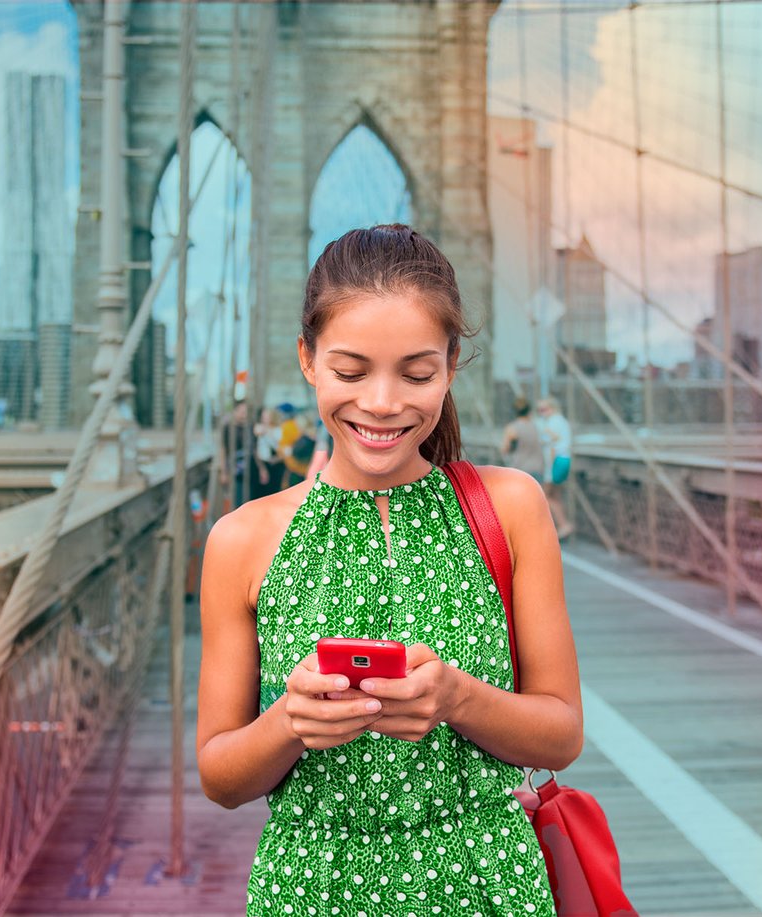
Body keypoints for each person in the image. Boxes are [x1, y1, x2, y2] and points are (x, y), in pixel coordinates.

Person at [197, 224, 581, 917]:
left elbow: (561, 733)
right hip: (310, 889)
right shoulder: (240, 539)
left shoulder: (512, 506)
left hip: (487, 884)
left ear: (452, 364)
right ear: (307, 360)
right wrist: (291, 719)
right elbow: (220, 776)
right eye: (350, 371)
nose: (380, 402)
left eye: (416, 371)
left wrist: (457, 697)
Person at [536, 397, 576, 540]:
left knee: (545, 495)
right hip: (564, 459)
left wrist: (548, 471)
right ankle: (562, 524)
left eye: (544, 409)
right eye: (539, 410)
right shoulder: (561, 421)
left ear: (552, 408)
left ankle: (562, 524)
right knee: (555, 495)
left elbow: (552, 447)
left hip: (555, 461)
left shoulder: (553, 423)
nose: (541, 413)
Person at [501, 396, 547, 486]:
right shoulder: (537, 426)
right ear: (529, 411)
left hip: (520, 469)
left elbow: (505, 449)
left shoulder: (512, 428)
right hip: (538, 469)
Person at [219, 400, 253, 507]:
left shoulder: (249, 427)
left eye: (246, 412)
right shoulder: (228, 428)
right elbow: (223, 450)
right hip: (235, 469)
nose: (244, 415)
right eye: (242, 412)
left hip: (250, 469)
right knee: (238, 498)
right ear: (235, 412)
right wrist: (224, 472)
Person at [252, 405, 287, 500]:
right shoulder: (258, 428)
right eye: (263, 417)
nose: (265, 419)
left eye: (267, 416)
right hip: (263, 462)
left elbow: (281, 447)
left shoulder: (279, 430)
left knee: (274, 492)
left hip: (276, 464)